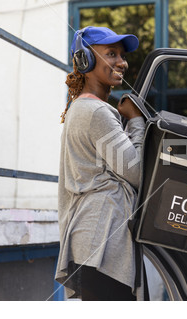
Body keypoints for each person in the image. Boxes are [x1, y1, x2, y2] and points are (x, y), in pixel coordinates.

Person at [55, 26, 146, 301]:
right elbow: (137, 172)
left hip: (94, 244)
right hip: (100, 244)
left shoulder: (85, 108)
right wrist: (137, 121)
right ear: (85, 60)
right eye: (111, 53)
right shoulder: (95, 112)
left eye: (122, 55)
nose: (122, 62)